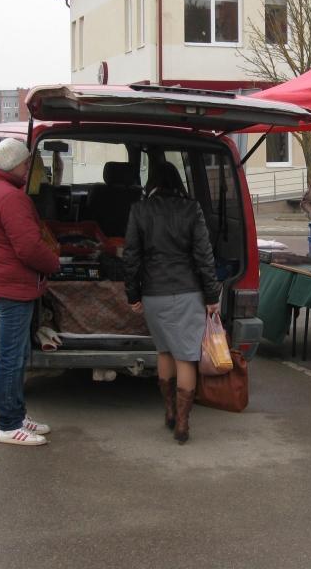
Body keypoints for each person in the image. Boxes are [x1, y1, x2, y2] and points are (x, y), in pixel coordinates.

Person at [123, 162, 221, 445]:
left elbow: (131, 256)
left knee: (164, 352)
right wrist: (212, 296)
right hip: (188, 292)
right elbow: (204, 256)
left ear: (151, 182)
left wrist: (133, 295)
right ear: (178, 181)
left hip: (154, 293)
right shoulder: (192, 209)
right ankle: (182, 423)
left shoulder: (139, 210)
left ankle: (168, 411)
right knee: (186, 357)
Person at [0, 138, 62, 446]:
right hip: (15, 287)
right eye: (27, 163)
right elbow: (29, 247)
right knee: (12, 358)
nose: (29, 169)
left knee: (16, 354)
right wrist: (54, 263)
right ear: (15, 165)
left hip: (6, 282)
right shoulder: (12, 198)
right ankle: (9, 425)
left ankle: (16, 413)